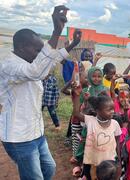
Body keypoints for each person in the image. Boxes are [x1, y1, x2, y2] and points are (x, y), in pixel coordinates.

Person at [0, 5, 81, 180]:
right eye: (37, 50)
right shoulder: (9, 66)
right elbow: (36, 71)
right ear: (21, 47)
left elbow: (49, 62)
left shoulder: (31, 63)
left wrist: (72, 45)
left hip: (36, 133)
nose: (39, 55)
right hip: (19, 138)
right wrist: (55, 32)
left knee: (49, 169)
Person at [72, 89, 122, 180]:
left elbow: (117, 141)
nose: (112, 112)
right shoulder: (91, 121)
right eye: (109, 110)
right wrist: (77, 97)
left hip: (109, 162)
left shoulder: (115, 124)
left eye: (113, 109)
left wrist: (118, 157)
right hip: (92, 162)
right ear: (97, 110)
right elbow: (76, 114)